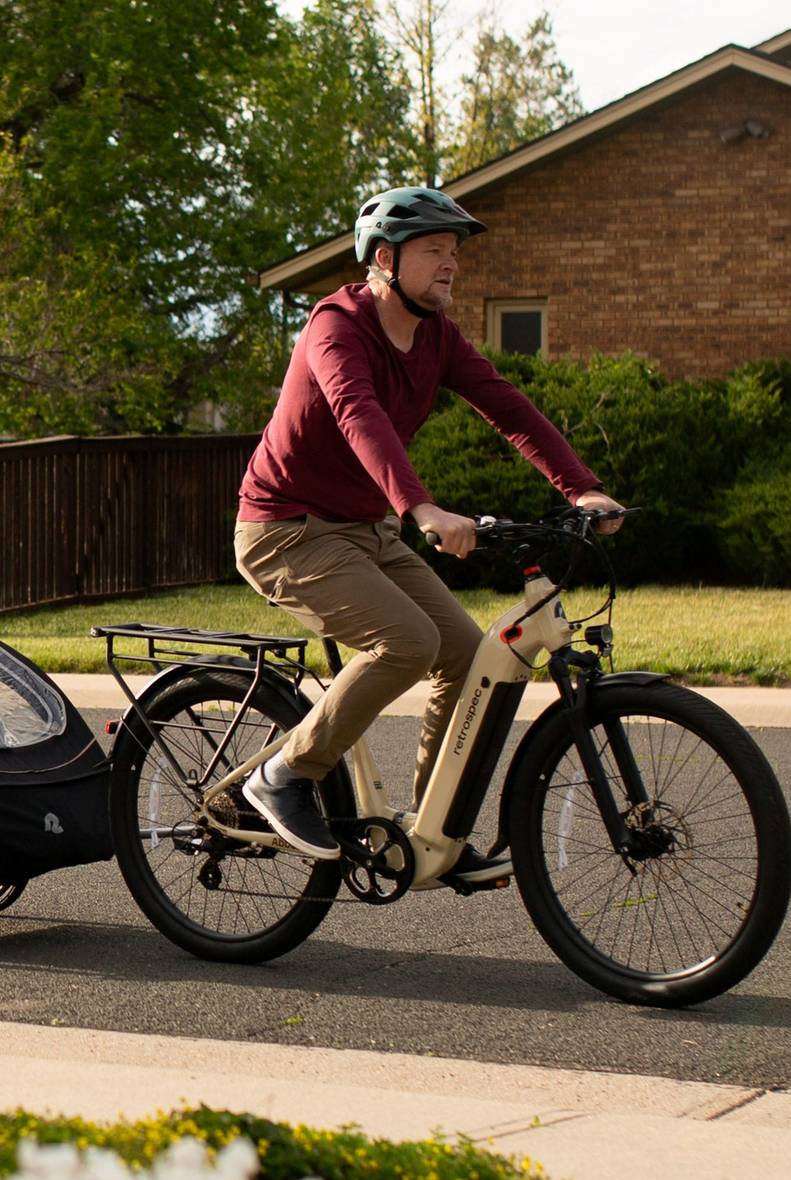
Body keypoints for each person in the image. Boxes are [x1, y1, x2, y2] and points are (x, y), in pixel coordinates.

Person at [234, 186, 622, 880]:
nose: (452, 264)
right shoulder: (336, 326)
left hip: (366, 529)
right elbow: (359, 416)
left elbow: (508, 407)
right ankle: (283, 775)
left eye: (454, 252)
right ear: (385, 259)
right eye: (436, 250)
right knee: (407, 642)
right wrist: (421, 508)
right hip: (286, 530)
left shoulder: (438, 337)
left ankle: (431, 832)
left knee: (465, 655)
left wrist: (580, 486)